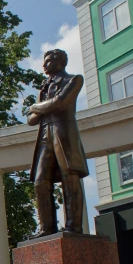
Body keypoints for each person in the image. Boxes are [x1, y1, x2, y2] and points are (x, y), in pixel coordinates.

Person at [27, 49, 88, 236]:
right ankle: (47, 228)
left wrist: (35, 107)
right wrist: (43, 107)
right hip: (45, 135)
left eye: (47, 61)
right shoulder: (44, 88)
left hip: (64, 133)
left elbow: (60, 103)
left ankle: (73, 226)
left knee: (70, 177)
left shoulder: (73, 80)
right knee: (40, 182)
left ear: (59, 62)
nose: (44, 65)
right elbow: (31, 120)